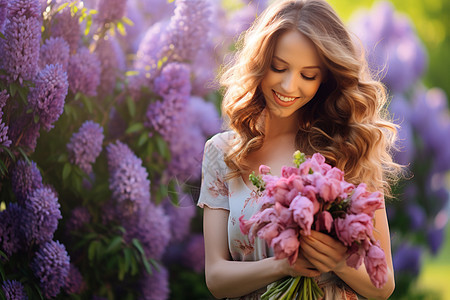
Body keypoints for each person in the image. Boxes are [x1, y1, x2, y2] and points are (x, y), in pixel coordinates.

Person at [197, 0, 401, 299]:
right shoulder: (224, 153)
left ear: (326, 78)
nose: (290, 86)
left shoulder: (347, 147)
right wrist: (283, 266)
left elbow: (384, 286)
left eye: (308, 75)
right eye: (279, 68)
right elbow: (216, 278)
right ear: (259, 64)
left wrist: (339, 263)